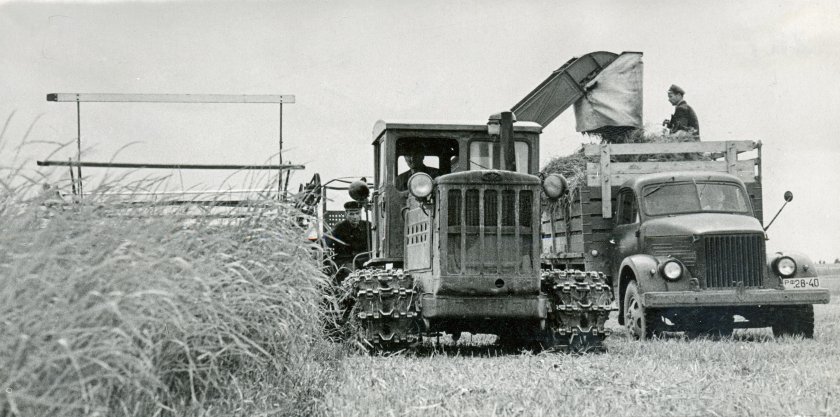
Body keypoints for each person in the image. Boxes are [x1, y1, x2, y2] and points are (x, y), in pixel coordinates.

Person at [323, 201, 371, 278]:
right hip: (346, 261)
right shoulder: (339, 228)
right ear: (346, 214)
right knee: (354, 275)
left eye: (357, 213)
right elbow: (324, 241)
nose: (355, 217)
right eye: (351, 214)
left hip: (363, 260)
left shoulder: (368, 226)